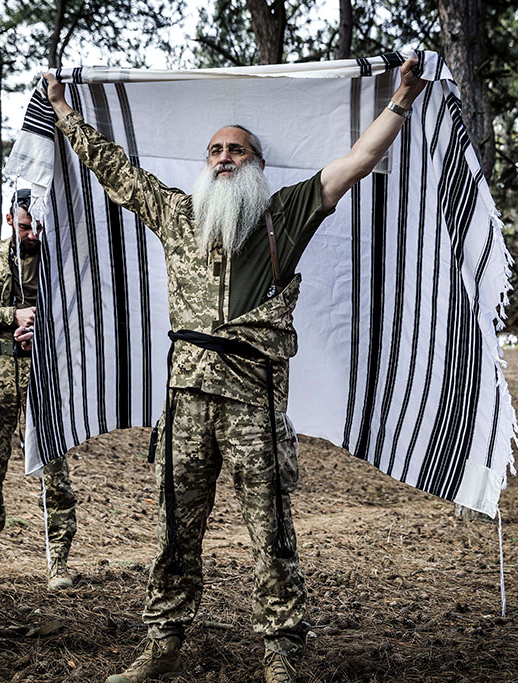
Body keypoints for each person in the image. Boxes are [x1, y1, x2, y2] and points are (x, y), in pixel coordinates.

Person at [41, 56, 427, 683]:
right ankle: (161, 641)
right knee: (175, 529)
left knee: (270, 533)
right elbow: (112, 168)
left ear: (259, 165)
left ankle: (281, 651)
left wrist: (401, 100)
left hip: (254, 403)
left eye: (238, 151)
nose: (225, 157)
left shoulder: (286, 215)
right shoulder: (177, 215)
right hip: (186, 401)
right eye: (216, 149)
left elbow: (357, 162)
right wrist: (61, 110)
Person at [0, 189, 77, 591]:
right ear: (10, 221)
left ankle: (58, 562)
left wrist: (45, 328)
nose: (33, 235)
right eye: (25, 227)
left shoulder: (62, 263)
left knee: (54, 467)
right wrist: (12, 315)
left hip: (46, 370)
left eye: (39, 228)